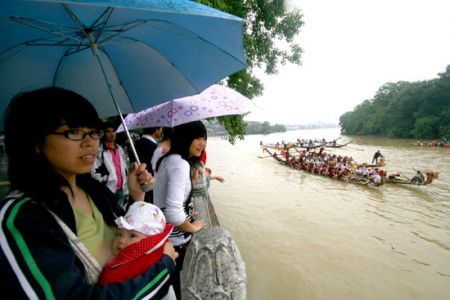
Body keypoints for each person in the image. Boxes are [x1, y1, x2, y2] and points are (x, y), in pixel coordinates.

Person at [0, 87, 176, 299]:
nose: (90, 142)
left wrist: (136, 196)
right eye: (73, 132)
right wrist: (163, 268)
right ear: (36, 142)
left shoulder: (94, 191)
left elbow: (127, 241)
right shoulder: (21, 218)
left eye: (93, 131)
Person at [153, 121, 208, 299]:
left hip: (163, 236)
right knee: (176, 285)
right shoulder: (180, 164)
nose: (203, 143)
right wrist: (194, 227)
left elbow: (166, 198)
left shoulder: (169, 159)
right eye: (198, 137)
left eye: (205, 138)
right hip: (175, 240)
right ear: (186, 138)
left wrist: (189, 182)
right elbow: (173, 213)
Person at [99, 201, 177, 299]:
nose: (121, 240)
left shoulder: (148, 261)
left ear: (149, 241)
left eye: (132, 235)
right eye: (119, 234)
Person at [91, 122, 129, 210]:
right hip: (109, 188)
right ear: (104, 134)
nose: (112, 134)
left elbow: (124, 167)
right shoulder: (99, 151)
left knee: (121, 213)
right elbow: (94, 171)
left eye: (114, 131)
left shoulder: (120, 149)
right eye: (108, 131)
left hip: (122, 188)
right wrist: (106, 179)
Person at [134, 127, 163, 203]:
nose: (161, 131)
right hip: (150, 185)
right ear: (156, 129)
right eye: (160, 128)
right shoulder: (153, 147)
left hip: (137, 185)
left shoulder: (137, 143)